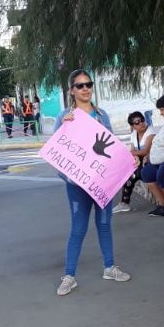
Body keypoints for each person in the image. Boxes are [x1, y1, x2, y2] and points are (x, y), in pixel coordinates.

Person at [54, 69, 130, 296]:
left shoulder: (101, 115)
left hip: (102, 182)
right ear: (71, 91)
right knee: (78, 228)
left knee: (104, 224)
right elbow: (57, 150)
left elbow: (112, 147)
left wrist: (126, 162)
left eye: (88, 84)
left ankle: (109, 267)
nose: (85, 89)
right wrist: (65, 127)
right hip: (77, 185)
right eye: (80, 85)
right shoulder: (65, 116)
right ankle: (69, 276)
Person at [113, 111, 154, 214]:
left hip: (150, 161)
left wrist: (132, 153)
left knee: (132, 175)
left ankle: (124, 203)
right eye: (137, 122)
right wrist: (134, 155)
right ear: (133, 126)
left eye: (142, 120)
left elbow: (145, 151)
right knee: (125, 172)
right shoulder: (133, 135)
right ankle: (123, 203)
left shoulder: (150, 132)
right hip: (140, 162)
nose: (141, 123)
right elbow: (133, 151)